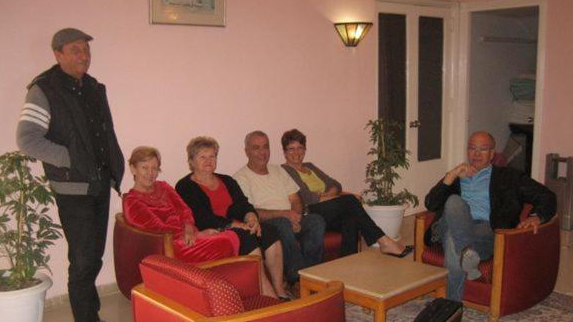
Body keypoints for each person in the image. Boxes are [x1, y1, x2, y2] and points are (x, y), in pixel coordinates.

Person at [16, 28, 125, 322]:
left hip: (98, 184)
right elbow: (27, 139)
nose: (84, 55)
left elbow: (103, 133)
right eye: (76, 49)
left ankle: (92, 318)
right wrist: (70, 159)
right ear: (58, 54)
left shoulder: (93, 87)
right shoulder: (44, 89)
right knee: (82, 262)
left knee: (93, 258)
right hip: (72, 189)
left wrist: (112, 168)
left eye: (86, 50)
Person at [424, 131, 557, 301]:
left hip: (487, 230)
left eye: (483, 149)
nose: (477, 154)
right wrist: (452, 174)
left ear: (492, 153)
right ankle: (462, 270)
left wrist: (536, 216)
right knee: (454, 201)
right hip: (451, 222)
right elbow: (431, 204)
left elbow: (547, 196)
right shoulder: (457, 176)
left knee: (452, 239)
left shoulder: (510, 177)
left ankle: (451, 303)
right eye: (472, 148)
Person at [175, 137, 290, 300]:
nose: (209, 161)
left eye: (212, 156)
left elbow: (243, 203)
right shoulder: (185, 186)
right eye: (203, 157)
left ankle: (280, 290)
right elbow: (201, 218)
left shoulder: (227, 180)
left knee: (269, 231)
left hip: (239, 227)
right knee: (246, 236)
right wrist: (235, 225)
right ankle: (269, 297)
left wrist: (251, 217)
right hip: (214, 231)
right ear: (192, 161)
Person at [280, 129, 413, 258]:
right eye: (291, 148)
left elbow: (335, 184)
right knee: (349, 200)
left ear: (305, 150)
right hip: (311, 212)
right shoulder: (285, 170)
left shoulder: (309, 166)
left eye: (300, 148)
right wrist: (335, 197)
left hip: (327, 208)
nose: (296, 152)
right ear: (284, 152)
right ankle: (384, 241)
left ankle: (348, 261)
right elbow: (307, 198)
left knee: (351, 219)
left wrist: (327, 195)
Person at [123, 146, 242, 271]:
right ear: (133, 169)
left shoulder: (163, 187)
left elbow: (184, 210)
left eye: (154, 168)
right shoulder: (132, 201)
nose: (150, 173)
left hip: (188, 236)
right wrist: (198, 235)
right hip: (168, 247)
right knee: (226, 240)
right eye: (145, 168)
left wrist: (190, 228)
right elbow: (158, 229)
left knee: (231, 235)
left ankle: (215, 279)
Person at [234, 131, 326, 284]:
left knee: (316, 220)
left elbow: (295, 199)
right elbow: (250, 212)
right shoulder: (240, 178)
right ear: (247, 151)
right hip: (266, 226)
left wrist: (295, 217)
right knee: (282, 224)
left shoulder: (278, 170)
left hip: (290, 219)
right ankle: (297, 279)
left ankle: (314, 276)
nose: (262, 152)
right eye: (256, 148)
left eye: (265, 147)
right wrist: (285, 215)